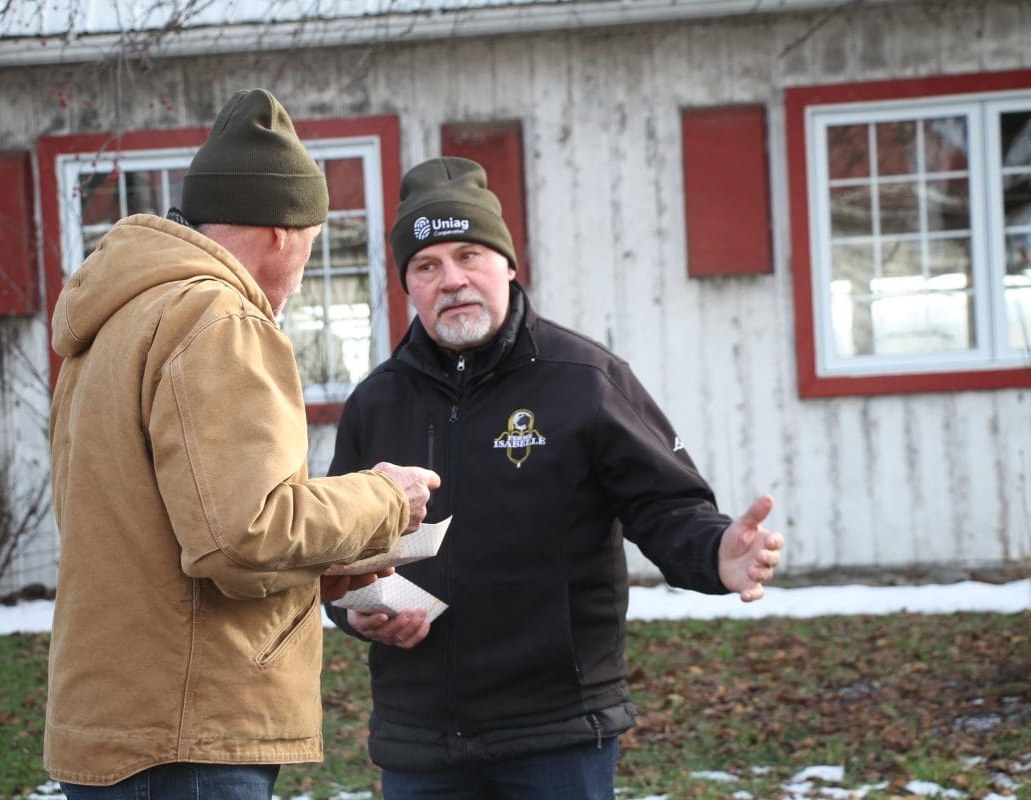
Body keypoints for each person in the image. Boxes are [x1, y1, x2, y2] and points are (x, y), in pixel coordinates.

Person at [324, 156, 785, 799]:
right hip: (419, 738)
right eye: (427, 266)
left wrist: (715, 552)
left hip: (556, 733)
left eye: (469, 256)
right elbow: (334, 553)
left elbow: (665, 504)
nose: (452, 280)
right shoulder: (376, 403)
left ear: (509, 266)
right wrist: (358, 612)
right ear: (409, 285)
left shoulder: (584, 379)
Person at [44, 88, 439, 799]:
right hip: (193, 734)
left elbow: (165, 532)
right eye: (313, 245)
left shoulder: (115, 320)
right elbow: (242, 537)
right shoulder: (218, 318)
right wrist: (384, 497)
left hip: (120, 723)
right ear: (285, 232)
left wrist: (336, 567)